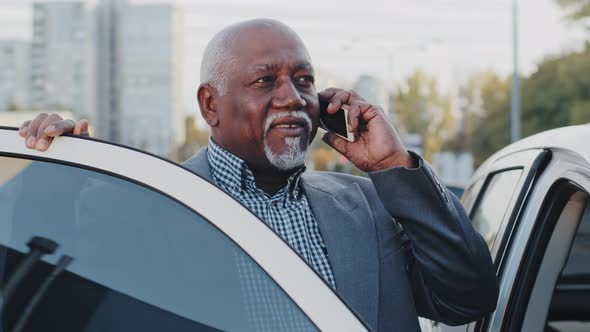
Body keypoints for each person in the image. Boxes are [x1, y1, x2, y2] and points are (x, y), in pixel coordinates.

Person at [19, 19, 498, 332]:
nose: (292, 97)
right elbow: (49, 299)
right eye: (265, 81)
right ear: (210, 105)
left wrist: (395, 168)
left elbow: (468, 299)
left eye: (304, 80)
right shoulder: (150, 205)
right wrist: (54, 172)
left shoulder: (371, 205)